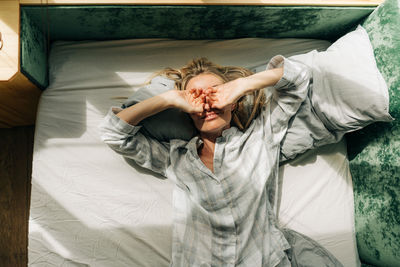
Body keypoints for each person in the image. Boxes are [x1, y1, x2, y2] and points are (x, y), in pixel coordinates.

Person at [99, 56, 343, 266]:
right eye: (197, 97)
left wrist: (239, 87)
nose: (207, 104)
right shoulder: (176, 157)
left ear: (233, 102)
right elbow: (113, 133)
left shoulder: (260, 138)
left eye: (215, 93)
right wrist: (170, 99)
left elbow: (298, 77)